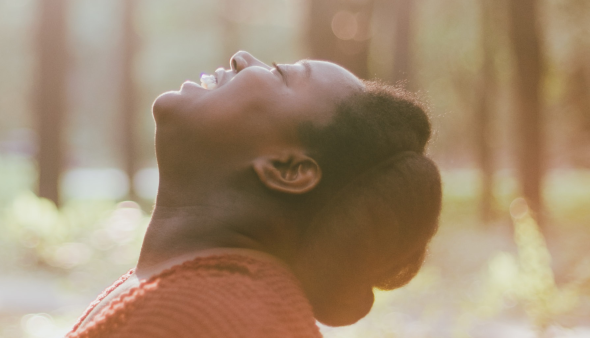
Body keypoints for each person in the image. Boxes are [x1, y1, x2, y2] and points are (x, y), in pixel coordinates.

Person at [66, 51, 443, 338]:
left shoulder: (207, 319)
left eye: (280, 74)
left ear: (287, 169)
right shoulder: (201, 297)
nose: (242, 58)